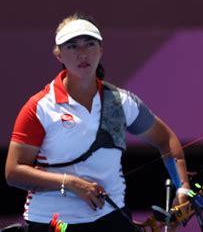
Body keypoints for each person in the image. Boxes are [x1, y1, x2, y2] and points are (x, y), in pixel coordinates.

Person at [5, 13, 190, 231]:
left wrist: (183, 188)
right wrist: (71, 183)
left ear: (101, 50)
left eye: (89, 44)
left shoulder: (121, 103)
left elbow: (165, 139)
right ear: (59, 54)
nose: (82, 53)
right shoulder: (40, 107)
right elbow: (14, 172)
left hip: (112, 218)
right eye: (72, 46)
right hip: (56, 222)